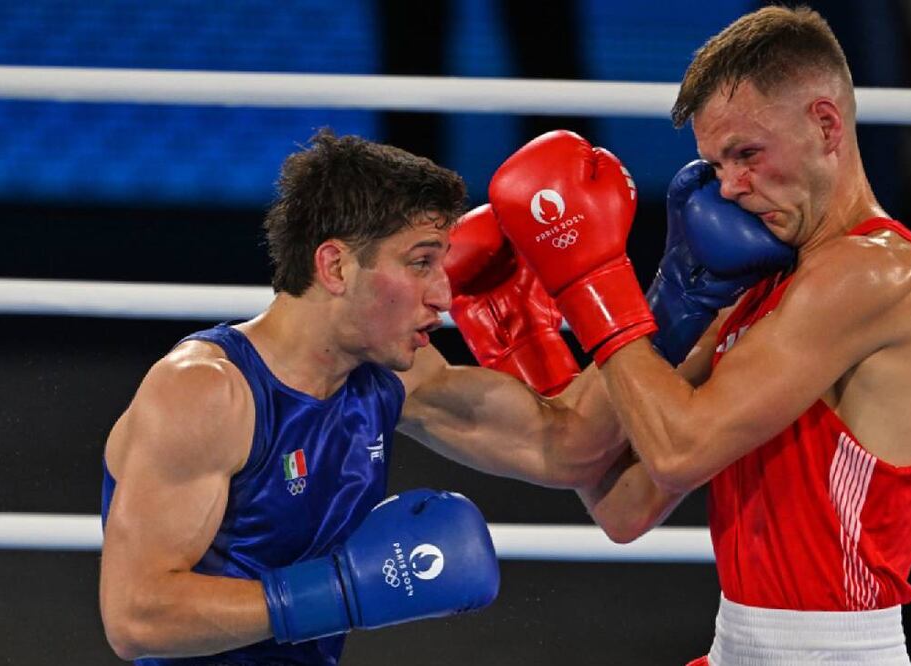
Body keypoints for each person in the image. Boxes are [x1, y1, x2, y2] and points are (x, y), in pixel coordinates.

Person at [487, 6, 911, 664]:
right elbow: (623, 506)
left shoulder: (875, 273)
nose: (730, 187)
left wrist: (595, 280)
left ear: (825, 125)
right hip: (736, 646)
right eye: (715, 163)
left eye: (747, 154)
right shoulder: (760, 287)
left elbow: (680, 452)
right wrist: (529, 343)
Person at [98, 129, 629, 665]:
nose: (444, 295)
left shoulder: (392, 374)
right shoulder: (207, 391)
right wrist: (341, 593)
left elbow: (567, 446)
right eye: (421, 263)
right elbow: (138, 616)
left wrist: (681, 292)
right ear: (335, 267)